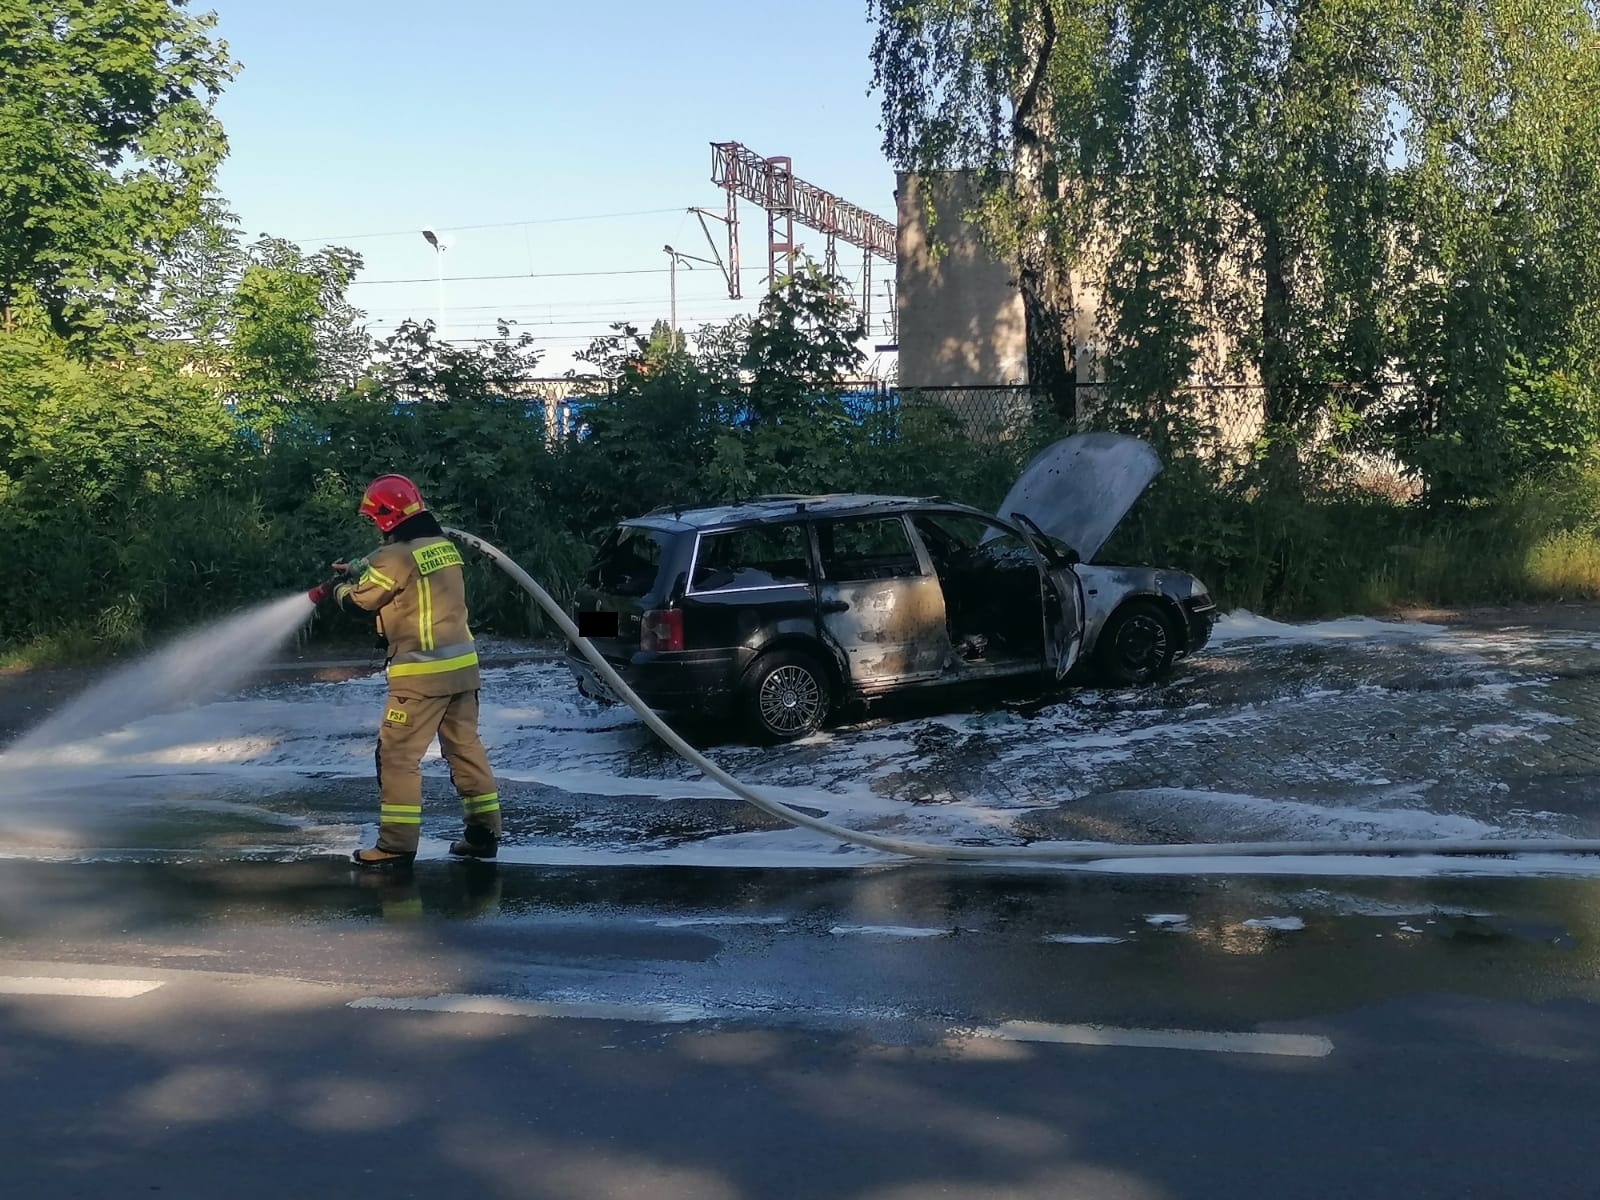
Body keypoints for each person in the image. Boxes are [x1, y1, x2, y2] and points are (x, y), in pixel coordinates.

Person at [307, 474, 500, 868]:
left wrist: (342, 589)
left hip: (421, 675)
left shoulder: (392, 557)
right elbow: (403, 577)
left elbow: (363, 600)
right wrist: (364, 567)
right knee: (465, 751)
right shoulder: (441, 546)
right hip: (462, 671)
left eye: (375, 519)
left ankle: (395, 845)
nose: (374, 526)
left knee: (397, 756)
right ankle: (484, 834)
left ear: (386, 517)